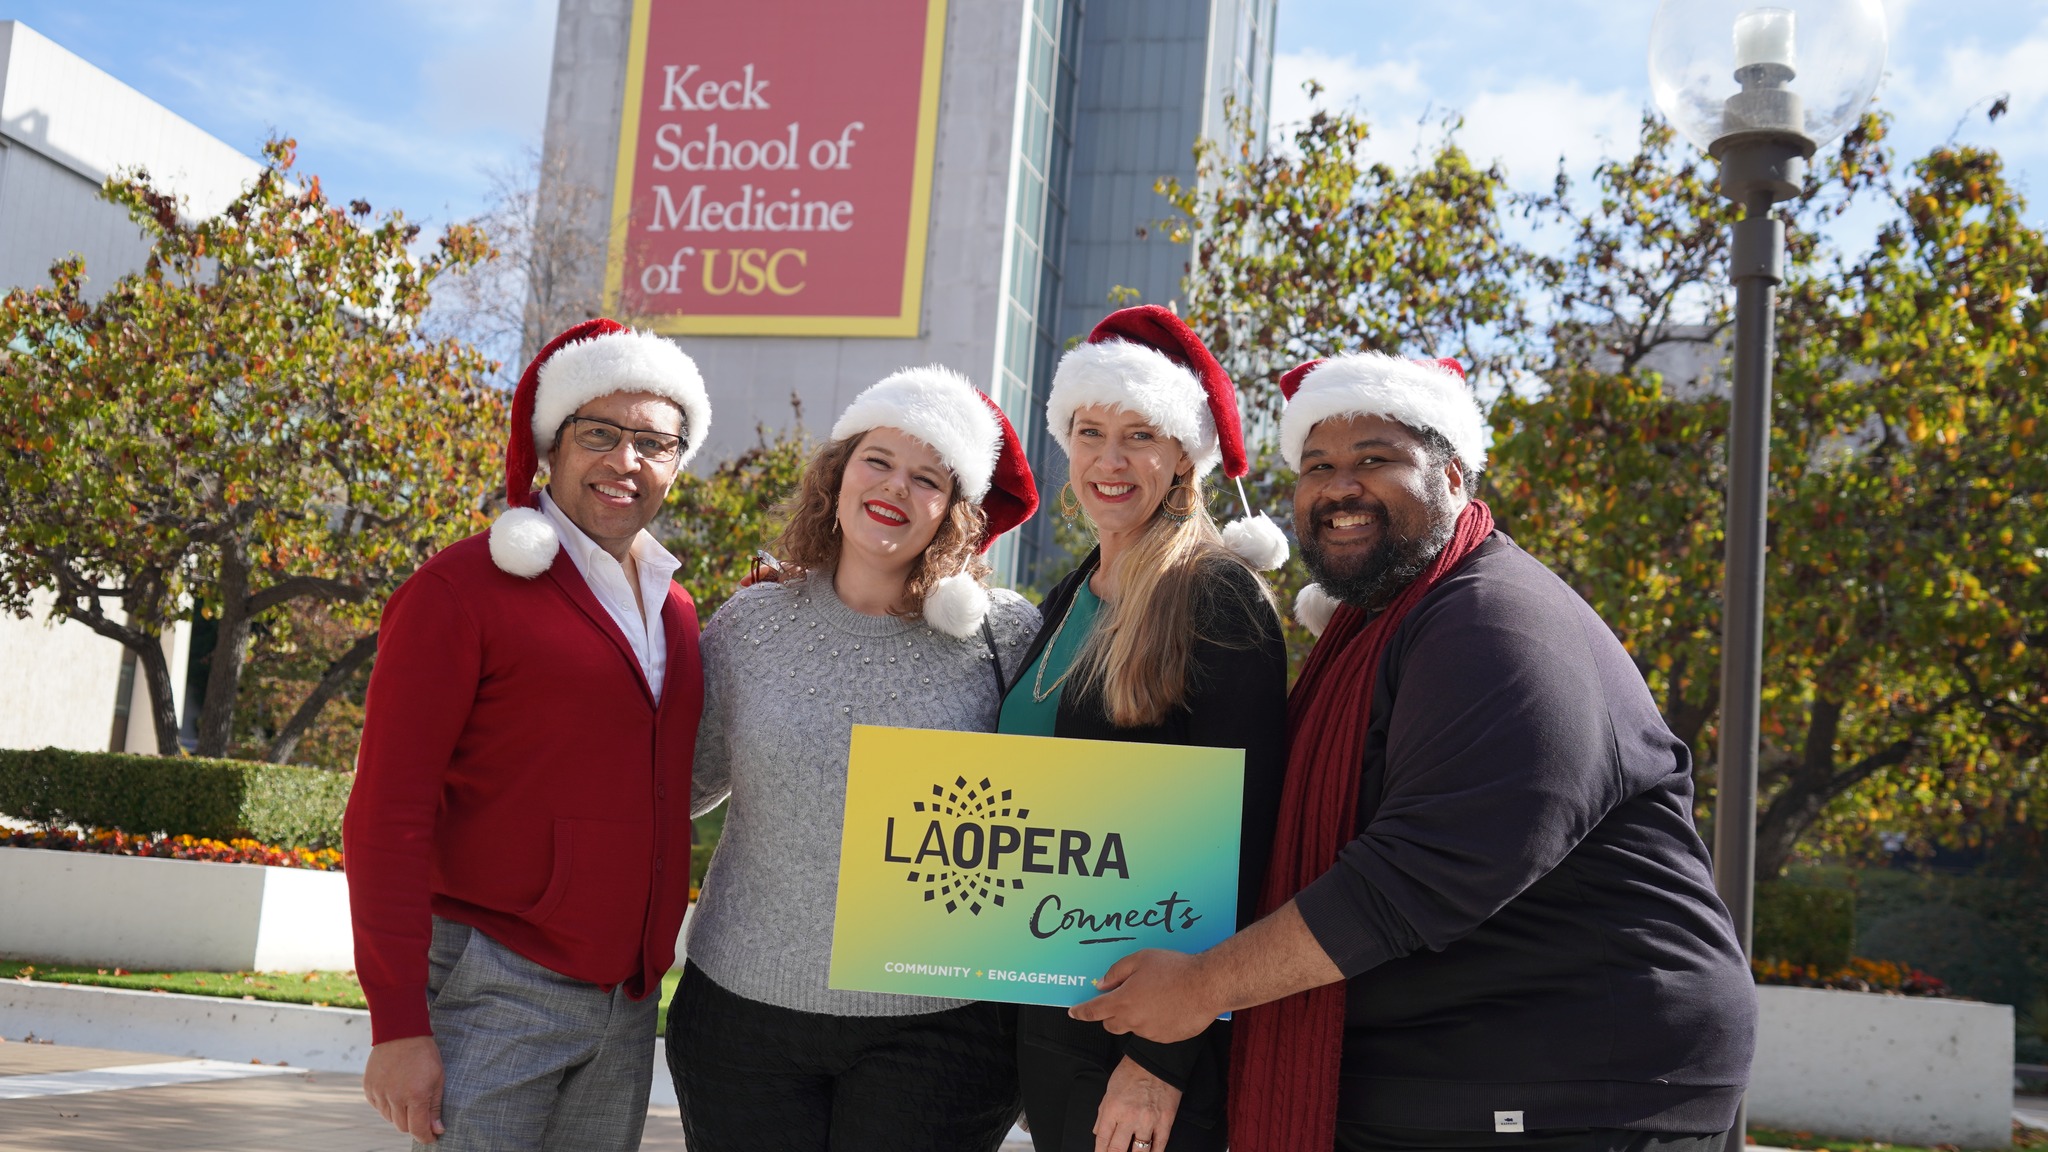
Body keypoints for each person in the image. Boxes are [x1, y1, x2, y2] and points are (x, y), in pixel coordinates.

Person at [1067, 350, 1759, 1152]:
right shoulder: (1390, 624)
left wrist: (1200, 988)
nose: (1338, 487)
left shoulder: (1495, 624)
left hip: (1573, 1080)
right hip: (1462, 1071)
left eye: (1375, 459)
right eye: (1316, 465)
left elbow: (1426, 871)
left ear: (1456, 476)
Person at [344, 319, 714, 1150]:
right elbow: (387, 813)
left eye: (654, 442)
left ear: (677, 465)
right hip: (493, 980)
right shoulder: (459, 589)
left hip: (625, 1000)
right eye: (600, 434)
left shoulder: (677, 609)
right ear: (551, 446)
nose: (626, 461)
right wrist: (397, 1022)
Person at [669, 365, 1042, 1152]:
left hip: (941, 1034)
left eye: (927, 477)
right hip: (743, 1017)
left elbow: (1060, 817)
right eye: (878, 460)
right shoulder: (750, 625)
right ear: (837, 475)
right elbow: (671, 786)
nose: (896, 488)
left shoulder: (1006, 639)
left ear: (954, 510)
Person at [1007, 305, 1291, 1152]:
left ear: (1182, 458)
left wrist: (1158, 1063)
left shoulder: (1218, 599)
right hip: (1051, 1006)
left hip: (1146, 1036)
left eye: (1140, 435)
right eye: (1090, 432)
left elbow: (1240, 842)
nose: (1110, 459)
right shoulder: (1069, 595)